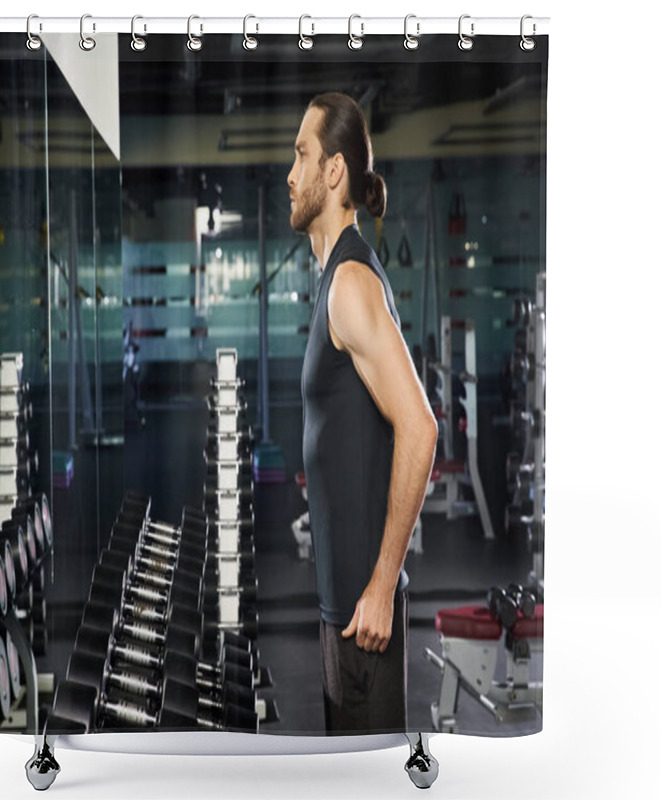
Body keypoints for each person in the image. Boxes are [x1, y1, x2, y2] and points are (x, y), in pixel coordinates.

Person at [289, 92, 438, 734]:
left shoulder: (351, 284)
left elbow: (420, 427)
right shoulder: (333, 279)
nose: (289, 175)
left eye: (301, 156)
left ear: (333, 172)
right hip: (343, 613)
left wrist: (381, 587)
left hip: (364, 619)